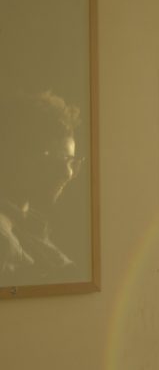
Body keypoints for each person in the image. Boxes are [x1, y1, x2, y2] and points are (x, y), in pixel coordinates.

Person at [0, 90, 84, 285]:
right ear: (18, 156)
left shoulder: (32, 228)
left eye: (72, 161)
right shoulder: (5, 241)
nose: (68, 173)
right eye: (55, 159)